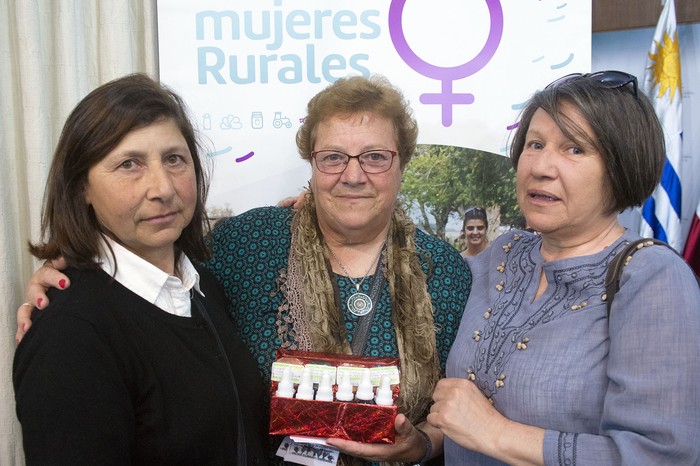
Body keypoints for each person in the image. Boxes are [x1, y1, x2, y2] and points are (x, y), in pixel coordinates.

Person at [17, 75, 472, 465]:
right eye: (333, 157)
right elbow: (132, 275)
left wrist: (423, 445)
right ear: (311, 164)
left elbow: (471, 403)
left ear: (402, 162)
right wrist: (71, 269)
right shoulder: (247, 243)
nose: (353, 175)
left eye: (375, 156)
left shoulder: (449, 273)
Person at [427, 71, 700, 464]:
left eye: (574, 149)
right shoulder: (506, 252)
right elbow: (462, 405)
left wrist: (495, 432)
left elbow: (659, 456)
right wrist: (321, 215)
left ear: (621, 166)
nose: (540, 166)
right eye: (534, 144)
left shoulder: (651, 277)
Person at [13, 74, 267, 464]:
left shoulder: (201, 287)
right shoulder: (69, 334)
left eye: (174, 159)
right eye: (129, 164)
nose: (162, 187)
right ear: (81, 187)